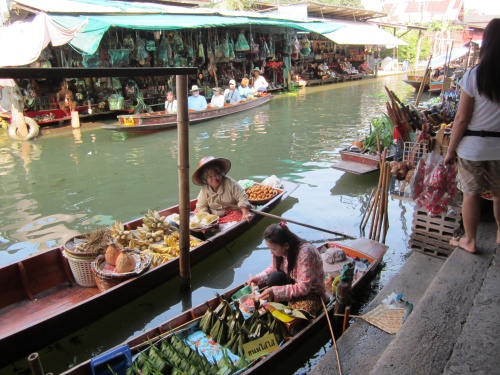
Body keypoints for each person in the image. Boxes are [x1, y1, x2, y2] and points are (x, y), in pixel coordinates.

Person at [444, 18, 500, 254]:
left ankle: (470, 240)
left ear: (486, 44)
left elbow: (462, 119)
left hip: (473, 148)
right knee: (499, 194)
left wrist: (449, 151)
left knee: (471, 195)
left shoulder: (474, 75)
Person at [247, 222, 327, 317]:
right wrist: (258, 278)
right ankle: (283, 303)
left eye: (273, 249)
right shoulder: (279, 252)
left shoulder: (305, 253)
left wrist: (275, 292)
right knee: (274, 278)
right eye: (269, 248)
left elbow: (304, 287)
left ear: (286, 245)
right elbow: (274, 267)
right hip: (294, 282)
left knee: (299, 314)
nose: (271, 252)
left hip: (312, 290)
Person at [192, 156, 252, 222]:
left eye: (216, 174)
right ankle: (213, 226)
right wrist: (207, 218)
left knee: (239, 217)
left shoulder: (230, 183)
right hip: (213, 213)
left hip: (231, 211)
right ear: (206, 179)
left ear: (221, 174)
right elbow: (201, 206)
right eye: (210, 176)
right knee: (196, 214)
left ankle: (217, 226)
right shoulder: (205, 189)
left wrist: (245, 213)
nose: (214, 178)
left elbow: (242, 197)